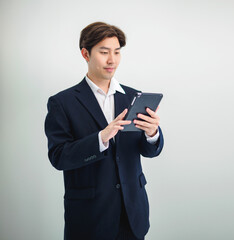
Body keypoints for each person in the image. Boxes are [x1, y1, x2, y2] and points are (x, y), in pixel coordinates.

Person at [44, 22, 164, 240]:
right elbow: (58, 157)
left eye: (117, 52)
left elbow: (149, 150)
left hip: (133, 214)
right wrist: (101, 138)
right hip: (89, 218)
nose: (112, 60)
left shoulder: (133, 96)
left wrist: (152, 134)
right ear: (85, 54)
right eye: (104, 52)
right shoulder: (62, 103)